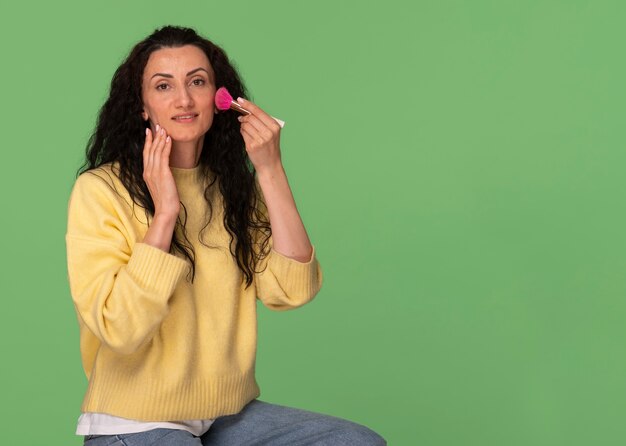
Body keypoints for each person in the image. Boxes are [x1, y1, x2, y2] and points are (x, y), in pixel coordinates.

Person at [66, 25, 386, 445]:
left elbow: (291, 289)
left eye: (197, 81)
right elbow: (119, 329)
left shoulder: (232, 188)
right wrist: (165, 215)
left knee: (355, 442)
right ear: (142, 106)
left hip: (223, 418)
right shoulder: (102, 190)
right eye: (163, 86)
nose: (183, 99)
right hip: (134, 422)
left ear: (220, 99)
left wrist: (270, 169)